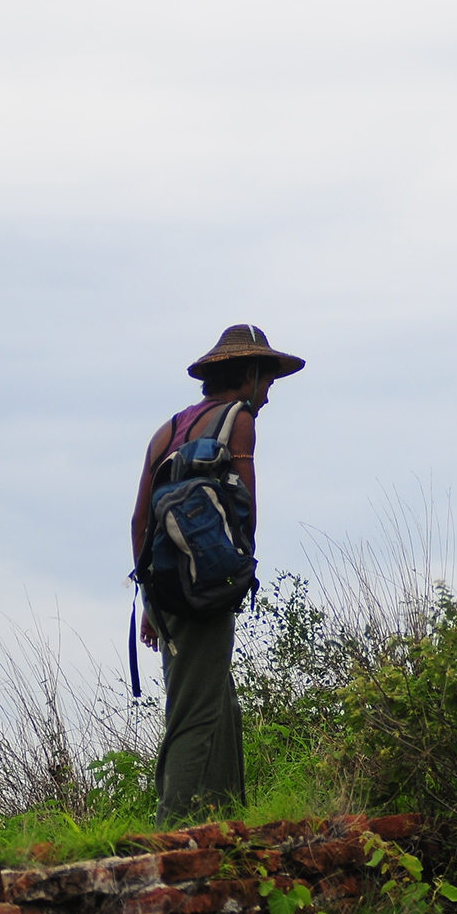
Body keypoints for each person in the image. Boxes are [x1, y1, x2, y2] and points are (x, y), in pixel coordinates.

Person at [131, 325, 304, 826]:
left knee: (218, 701)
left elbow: (140, 519)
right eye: (267, 381)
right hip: (207, 586)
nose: (268, 394)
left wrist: (151, 597)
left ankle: (226, 819)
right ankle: (167, 833)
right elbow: (245, 506)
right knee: (196, 713)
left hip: (166, 586)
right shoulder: (240, 419)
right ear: (248, 375)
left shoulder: (167, 431)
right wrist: (240, 569)